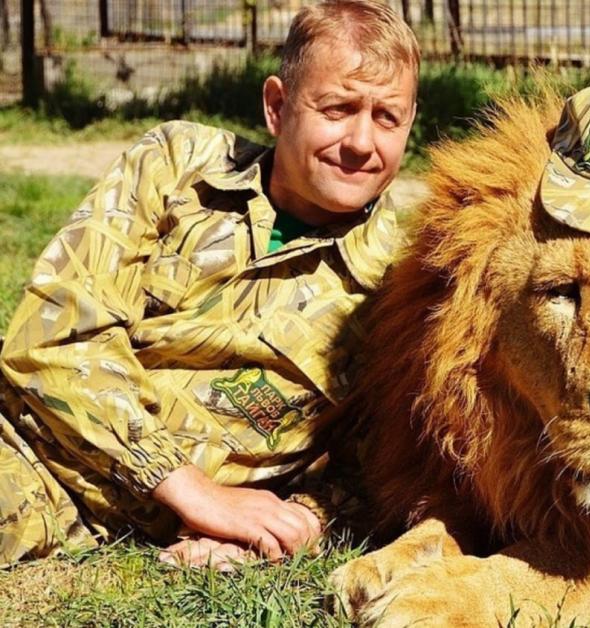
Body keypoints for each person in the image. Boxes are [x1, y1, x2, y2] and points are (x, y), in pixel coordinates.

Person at [0, 0, 419, 570]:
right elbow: (54, 334)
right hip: (25, 440)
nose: (361, 142)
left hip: (73, 513)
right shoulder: (177, 167)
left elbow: (378, 471)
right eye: (338, 109)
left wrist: (281, 526)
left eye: (387, 117)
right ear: (277, 107)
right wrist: (190, 489)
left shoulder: (399, 285)